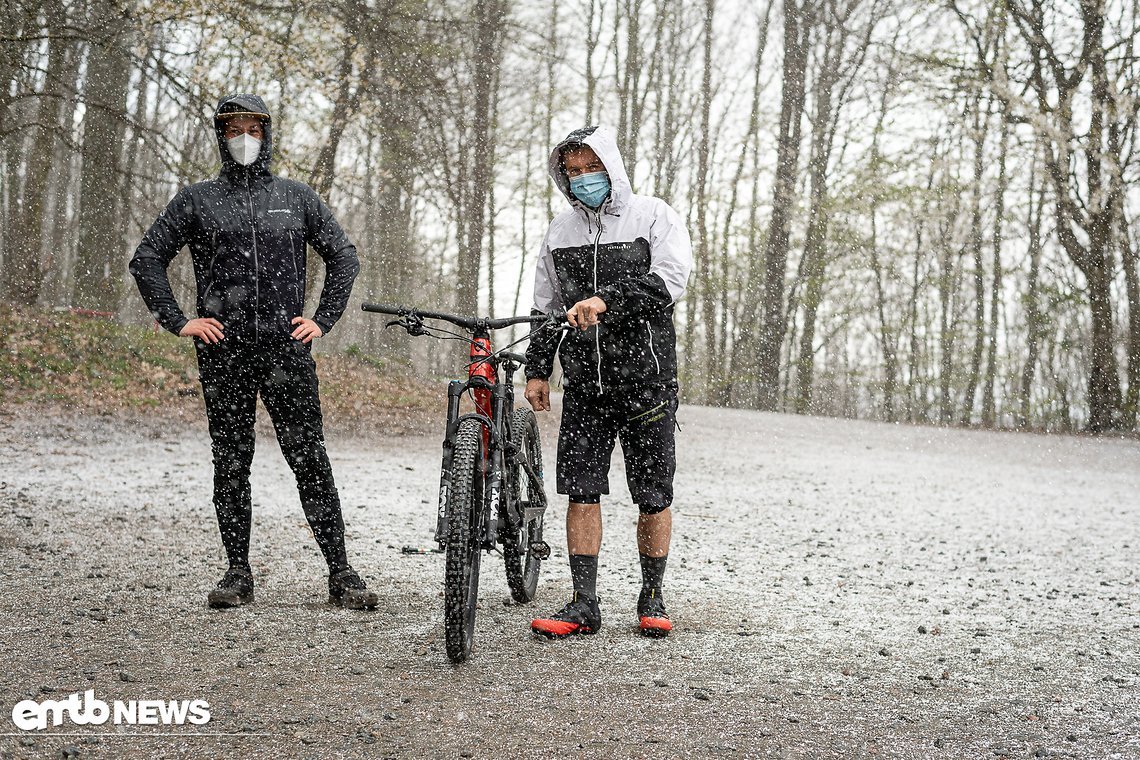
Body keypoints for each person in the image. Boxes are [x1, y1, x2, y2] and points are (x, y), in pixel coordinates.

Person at [129, 93, 378, 611]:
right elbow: (147, 257)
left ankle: (341, 572)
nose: (244, 137)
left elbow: (343, 256)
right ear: (220, 135)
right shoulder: (197, 200)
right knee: (231, 460)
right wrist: (180, 321)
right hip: (223, 350)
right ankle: (237, 572)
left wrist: (322, 319)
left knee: (309, 458)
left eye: (254, 128)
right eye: (234, 128)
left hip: (286, 350)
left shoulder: (296, 196)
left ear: (267, 134)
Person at [525, 125, 693, 638]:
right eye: (572, 172)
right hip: (585, 386)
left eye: (590, 169)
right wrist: (537, 368)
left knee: (653, 494)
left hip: (647, 381)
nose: (581, 180)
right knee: (581, 491)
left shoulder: (653, 215)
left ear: (611, 168)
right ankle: (583, 603)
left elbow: (670, 280)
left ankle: (653, 594)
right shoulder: (560, 230)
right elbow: (546, 306)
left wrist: (607, 302)